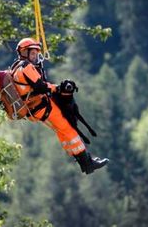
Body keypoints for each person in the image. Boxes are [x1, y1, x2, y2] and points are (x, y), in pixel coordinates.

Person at [11, 37, 109, 174]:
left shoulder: (15, 67)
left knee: (62, 131)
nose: (35, 56)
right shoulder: (26, 67)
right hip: (42, 106)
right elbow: (40, 86)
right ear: (24, 52)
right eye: (32, 53)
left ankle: (83, 161)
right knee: (69, 130)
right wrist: (56, 88)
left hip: (34, 109)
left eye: (35, 53)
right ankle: (88, 163)